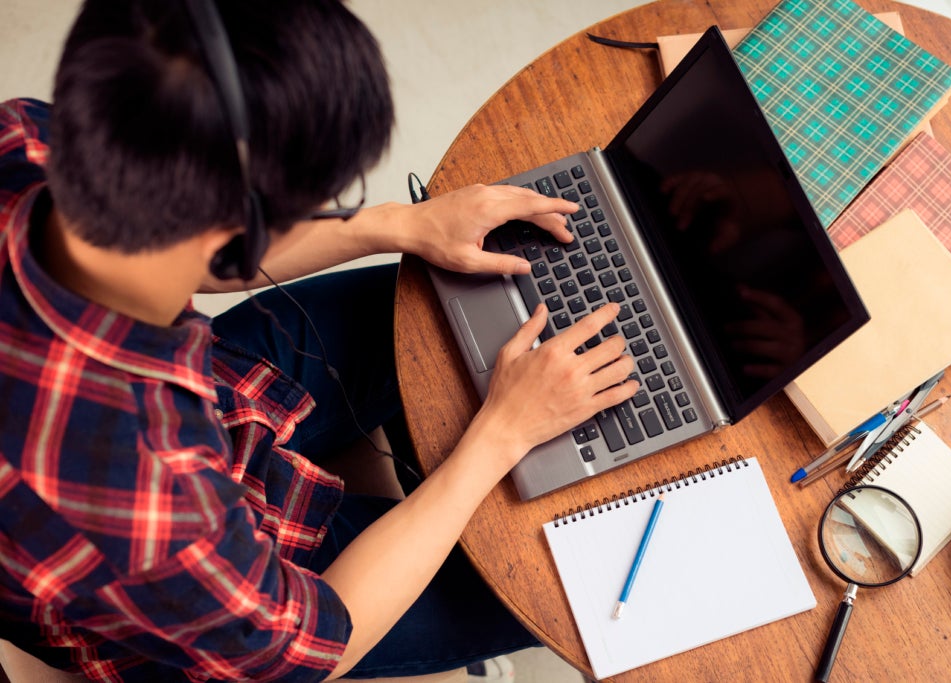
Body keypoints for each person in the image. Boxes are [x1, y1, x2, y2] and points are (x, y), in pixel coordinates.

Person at [0, 0, 638, 681]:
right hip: (216, 585)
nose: (330, 212)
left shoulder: (24, 139)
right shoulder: (144, 503)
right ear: (235, 235)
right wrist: (498, 438)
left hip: (216, 393)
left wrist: (404, 223)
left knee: (438, 300)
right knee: (553, 579)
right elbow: (300, 647)